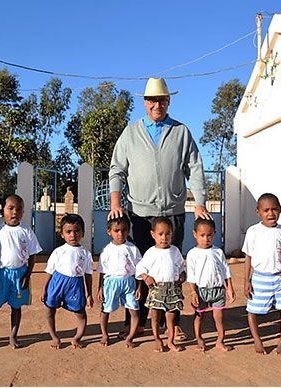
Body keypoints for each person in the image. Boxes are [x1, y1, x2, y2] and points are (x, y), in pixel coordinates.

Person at [109, 77, 211, 339]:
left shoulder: (181, 132)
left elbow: (195, 168)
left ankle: (172, 322)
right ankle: (138, 320)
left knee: (173, 269)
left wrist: (199, 203)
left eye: (162, 100)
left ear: (169, 101)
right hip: (141, 216)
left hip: (173, 212)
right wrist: (116, 203)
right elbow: (117, 170)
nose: (157, 104)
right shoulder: (130, 133)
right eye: (153, 100)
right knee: (141, 270)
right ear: (145, 102)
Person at [0, 194, 42, 349]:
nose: (15, 212)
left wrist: (27, 275)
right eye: (11, 208)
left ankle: (13, 336)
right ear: (3, 210)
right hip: (1, 275)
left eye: (19, 209)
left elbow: (33, 254)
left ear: (23, 212)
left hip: (20, 274)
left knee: (16, 307)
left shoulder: (26, 230)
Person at [242, 193, 281, 355]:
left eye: (274, 209)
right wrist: (247, 280)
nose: (270, 213)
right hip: (260, 278)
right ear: (258, 212)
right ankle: (257, 340)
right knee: (252, 310)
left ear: (280, 210)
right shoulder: (253, 232)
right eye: (266, 210)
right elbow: (248, 257)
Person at [42, 213, 93, 349]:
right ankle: (54, 337)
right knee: (49, 309)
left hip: (76, 285)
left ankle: (77, 337)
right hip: (57, 283)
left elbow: (88, 274)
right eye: (68, 232)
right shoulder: (58, 251)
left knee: (80, 313)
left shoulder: (85, 254)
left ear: (83, 233)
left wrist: (89, 294)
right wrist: (44, 288)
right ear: (62, 234)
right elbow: (50, 271)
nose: (73, 235)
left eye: (77, 231)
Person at [135, 217, 186, 352]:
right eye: (160, 234)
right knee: (155, 317)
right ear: (153, 234)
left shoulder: (174, 251)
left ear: (171, 234)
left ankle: (170, 341)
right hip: (157, 289)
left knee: (171, 317)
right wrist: (146, 277)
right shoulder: (151, 252)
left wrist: (182, 274)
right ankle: (157, 339)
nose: (164, 237)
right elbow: (140, 268)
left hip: (172, 289)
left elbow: (180, 266)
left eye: (167, 234)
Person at [187, 218, 236, 352]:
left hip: (218, 291)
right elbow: (190, 276)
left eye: (209, 235)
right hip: (201, 292)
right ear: (195, 234)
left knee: (219, 318)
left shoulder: (218, 252)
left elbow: (225, 271)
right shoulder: (192, 254)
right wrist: (193, 292)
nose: (206, 239)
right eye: (202, 235)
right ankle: (199, 339)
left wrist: (229, 288)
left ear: (214, 234)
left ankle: (220, 341)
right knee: (199, 316)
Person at [97, 214, 142, 347]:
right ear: (109, 231)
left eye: (124, 230)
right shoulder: (106, 250)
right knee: (106, 310)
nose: (120, 234)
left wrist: (139, 286)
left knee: (134, 309)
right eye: (116, 231)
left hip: (129, 283)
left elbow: (139, 268)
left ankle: (130, 337)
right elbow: (102, 270)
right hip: (111, 284)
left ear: (128, 231)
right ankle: (105, 334)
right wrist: (100, 288)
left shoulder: (133, 248)